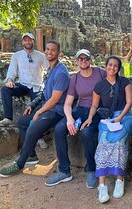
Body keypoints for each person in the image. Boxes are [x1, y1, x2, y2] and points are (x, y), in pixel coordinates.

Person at [0, 40, 70, 177]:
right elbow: (45, 93)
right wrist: (32, 105)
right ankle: (31, 156)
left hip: (57, 111)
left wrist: (39, 112)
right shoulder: (50, 69)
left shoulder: (61, 72)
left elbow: (54, 99)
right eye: (47, 49)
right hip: (46, 107)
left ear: (58, 53)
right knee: (22, 123)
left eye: (53, 50)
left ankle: (20, 163)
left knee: (33, 127)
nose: (49, 52)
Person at [45, 49, 106, 189]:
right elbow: (67, 103)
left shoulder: (100, 73)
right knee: (60, 129)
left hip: (97, 110)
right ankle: (64, 170)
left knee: (86, 132)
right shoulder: (75, 79)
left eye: (86, 58)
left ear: (90, 59)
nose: (83, 61)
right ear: (76, 61)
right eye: (80, 59)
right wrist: (69, 119)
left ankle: (91, 169)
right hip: (80, 109)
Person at [86, 56, 132, 203]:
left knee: (119, 143)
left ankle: (120, 180)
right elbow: (94, 105)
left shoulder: (125, 82)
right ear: (105, 66)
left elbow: (130, 101)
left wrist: (120, 118)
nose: (112, 68)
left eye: (115, 66)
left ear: (118, 69)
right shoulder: (99, 85)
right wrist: (89, 118)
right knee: (103, 144)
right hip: (107, 119)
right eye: (110, 65)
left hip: (124, 117)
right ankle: (102, 186)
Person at [0, 32, 49, 149]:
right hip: (23, 84)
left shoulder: (40, 56)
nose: (27, 42)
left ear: (33, 41)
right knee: (5, 90)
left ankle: (39, 135)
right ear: (22, 42)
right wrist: (10, 80)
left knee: (38, 106)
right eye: (25, 40)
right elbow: (12, 71)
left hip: (37, 86)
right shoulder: (17, 56)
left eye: (29, 40)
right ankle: (8, 118)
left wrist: (48, 84)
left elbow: (49, 70)